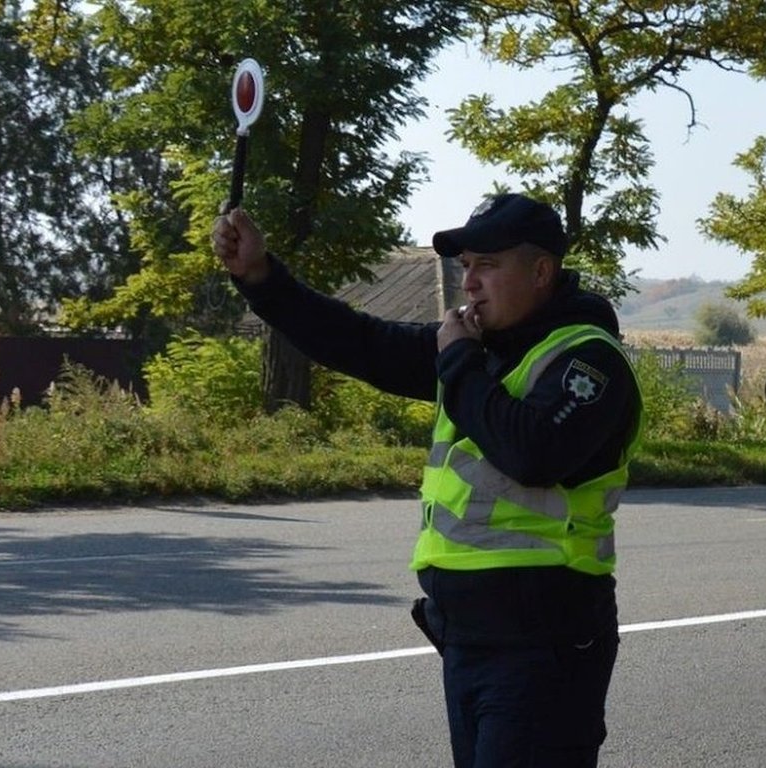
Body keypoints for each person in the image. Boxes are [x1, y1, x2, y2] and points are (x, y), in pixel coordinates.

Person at [212, 192, 643, 767]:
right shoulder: (477, 348)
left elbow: (532, 452)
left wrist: (459, 362)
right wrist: (262, 278)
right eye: (465, 266)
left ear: (542, 271)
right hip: (470, 640)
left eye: (488, 264)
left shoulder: (587, 361)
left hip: (546, 644)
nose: (469, 283)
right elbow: (358, 341)